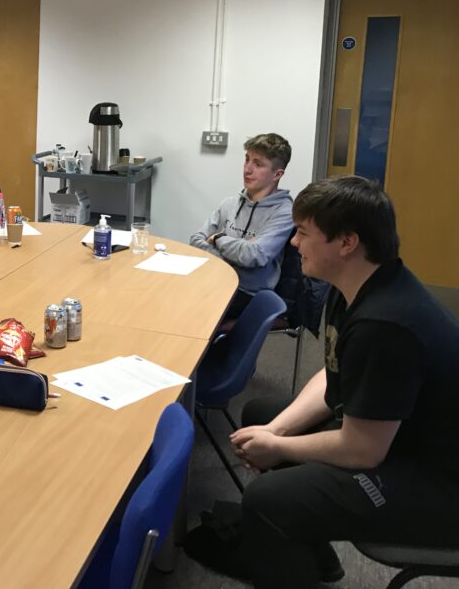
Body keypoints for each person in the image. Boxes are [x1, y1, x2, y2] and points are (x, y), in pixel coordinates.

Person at [230, 176, 459, 589]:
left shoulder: (387, 324)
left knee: (267, 501)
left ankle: (292, 541)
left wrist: (278, 446)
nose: (294, 243)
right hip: (396, 439)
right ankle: (315, 562)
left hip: (437, 485)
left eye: (303, 232)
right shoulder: (357, 283)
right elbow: (332, 373)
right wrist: (276, 430)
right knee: (263, 415)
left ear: (346, 243)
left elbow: (362, 450)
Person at [190, 133, 294, 319]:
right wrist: (235, 254)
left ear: (277, 174)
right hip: (214, 281)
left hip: (248, 293)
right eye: (247, 160)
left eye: (258, 164)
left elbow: (255, 255)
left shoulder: (284, 213)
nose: (247, 169)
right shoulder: (229, 204)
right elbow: (196, 240)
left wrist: (218, 239)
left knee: (192, 311)